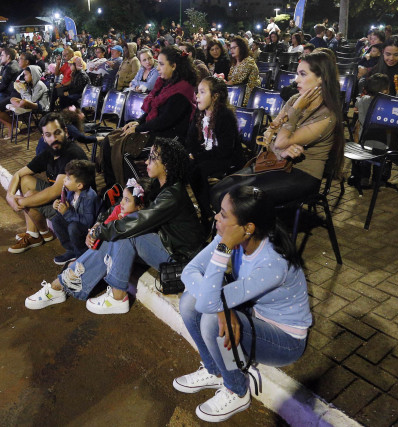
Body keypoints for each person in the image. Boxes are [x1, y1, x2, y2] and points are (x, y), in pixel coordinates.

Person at [175, 186, 311, 423]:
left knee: (212, 321)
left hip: (285, 340)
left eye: (224, 215)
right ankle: (215, 369)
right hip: (255, 313)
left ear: (248, 228)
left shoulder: (272, 263)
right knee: (189, 302)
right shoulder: (234, 234)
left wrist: (224, 250)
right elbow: (190, 272)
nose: (217, 217)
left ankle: (236, 390)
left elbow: (209, 300)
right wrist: (220, 306)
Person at [24, 138, 205, 314]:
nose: (146, 161)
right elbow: (119, 205)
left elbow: (137, 222)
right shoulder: (160, 184)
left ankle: (115, 296)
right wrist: (99, 224)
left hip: (180, 259)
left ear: (166, 164)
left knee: (125, 233)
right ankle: (62, 284)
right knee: (115, 233)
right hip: (165, 245)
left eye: (152, 158)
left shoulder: (172, 195)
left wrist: (99, 232)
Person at [211, 51, 344, 210]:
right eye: (297, 74)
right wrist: (281, 149)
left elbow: (280, 140)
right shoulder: (295, 99)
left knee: (233, 198)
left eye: (302, 74)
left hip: (303, 175)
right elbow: (269, 135)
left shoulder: (326, 115)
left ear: (321, 78)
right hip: (278, 162)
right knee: (217, 190)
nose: (296, 80)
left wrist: (294, 112)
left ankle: (255, 233)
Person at [99, 46, 198, 187]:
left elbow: (164, 121)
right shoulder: (166, 83)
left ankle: (135, 192)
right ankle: (113, 187)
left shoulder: (182, 90)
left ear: (174, 66)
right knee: (109, 141)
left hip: (170, 138)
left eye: (162, 64)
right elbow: (153, 110)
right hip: (156, 130)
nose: (158, 68)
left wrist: (139, 128)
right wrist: (137, 122)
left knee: (124, 151)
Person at [6, 113, 88, 253]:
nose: (54, 139)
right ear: (43, 137)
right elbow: (19, 174)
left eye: (57, 133)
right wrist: (10, 196)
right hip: (60, 201)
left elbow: (54, 191)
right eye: (48, 135)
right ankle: (35, 234)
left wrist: (21, 202)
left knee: (30, 195)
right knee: (25, 180)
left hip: (74, 211)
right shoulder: (50, 152)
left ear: (65, 132)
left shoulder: (71, 153)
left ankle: (43, 233)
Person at [187, 76, 241, 227]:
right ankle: (189, 209)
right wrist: (192, 154)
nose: (197, 96)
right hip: (208, 154)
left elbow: (225, 150)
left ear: (215, 96)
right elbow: (190, 139)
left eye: (202, 92)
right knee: (185, 164)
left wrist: (197, 156)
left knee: (197, 170)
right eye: (197, 92)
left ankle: (206, 214)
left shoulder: (225, 116)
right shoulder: (199, 113)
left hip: (227, 159)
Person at [50, 159, 99, 265]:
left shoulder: (89, 197)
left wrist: (67, 212)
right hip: (74, 222)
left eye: (68, 179)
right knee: (56, 220)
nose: (64, 180)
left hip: (85, 230)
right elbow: (66, 212)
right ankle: (72, 250)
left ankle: (81, 254)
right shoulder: (71, 192)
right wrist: (59, 207)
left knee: (73, 227)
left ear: (79, 185)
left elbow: (88, 222)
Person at [226, 37, 260, 107]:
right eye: (231, 48)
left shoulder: (249, 61)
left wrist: (223, 84)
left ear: (241, 48)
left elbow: (237, 79)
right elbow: (230, 79)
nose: (231, 50)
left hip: (248, 97)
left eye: (234, 48)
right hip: (237, 94)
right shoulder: (234, 64)